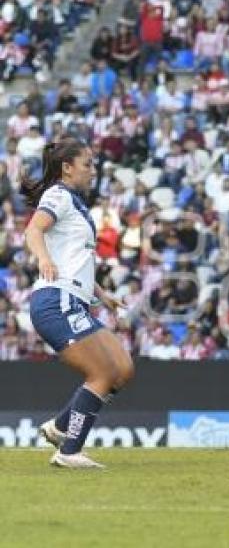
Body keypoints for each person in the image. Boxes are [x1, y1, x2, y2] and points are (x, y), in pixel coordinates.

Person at [21, 138, 134, 469]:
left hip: (75, 301)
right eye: (88, 164)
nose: (93, 170)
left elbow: (75, 260)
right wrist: (43, 258)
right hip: (57, 301)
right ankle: (69, 452)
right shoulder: (57, 195)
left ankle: (60, 426)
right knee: (102, 371)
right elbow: (33, 231)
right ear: (67, 168)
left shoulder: (75, 203)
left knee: (122, 369)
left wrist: (102, 294)